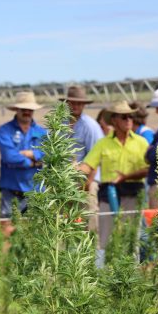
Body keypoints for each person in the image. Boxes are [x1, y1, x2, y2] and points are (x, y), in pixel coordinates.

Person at [79, 101, 149, 259]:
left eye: (131, 116)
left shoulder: (141, 142)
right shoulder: (103, 143)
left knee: (133, 237)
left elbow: (148, 169)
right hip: (108, 195)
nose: (129, 120)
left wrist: (127, 177)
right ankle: (102, 275)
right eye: (124, 117)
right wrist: (74, 171)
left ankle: (132, 275)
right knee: (105, 238)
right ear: (114, 120)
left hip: (133, 194)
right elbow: (88, 165)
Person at [59, 85, 103, 233]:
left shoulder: (90, 126)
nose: (76, 106)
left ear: (84, 104)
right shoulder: (60, 124)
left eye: (79, 103)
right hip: (64, 182)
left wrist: (86, 185)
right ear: (67, 103)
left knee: (87, 224)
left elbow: (95, 158)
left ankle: (91, 254)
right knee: (63, 224)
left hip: (86, 182)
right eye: (72, 102)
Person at [0, 91, 47, 219]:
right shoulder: (5, 130)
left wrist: (32, 153)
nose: (27, 112)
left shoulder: (41, 132)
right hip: (11, 192)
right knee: (7, 229)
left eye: (30, 109)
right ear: (17, 110)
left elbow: (48, 153)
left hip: (36, 192)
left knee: (37, 233)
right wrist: (32, 162)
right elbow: (9, 156)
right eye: (23, 109)